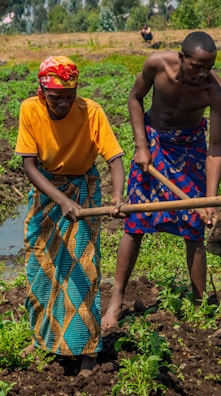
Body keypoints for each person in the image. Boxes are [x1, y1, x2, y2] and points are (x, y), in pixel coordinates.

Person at [102, 31, 221, 329]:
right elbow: (135, 98)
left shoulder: (216, 92)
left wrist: (209, 201)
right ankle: (116, 301)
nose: (203, 74)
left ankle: (199, 305)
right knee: (134, 223)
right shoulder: (156, 65)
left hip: (190, 148)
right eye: (197, 66)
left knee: (194, 227)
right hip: (154, 143)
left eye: (209, 67)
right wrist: (141, 146)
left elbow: (214, 148)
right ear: (181, 57)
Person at [15, 56, 125, 376]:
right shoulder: (30, 110)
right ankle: (43, 341)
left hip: (84, 191)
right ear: (41, 92)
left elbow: (114, 158)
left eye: (69, 96)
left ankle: (87, 351)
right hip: (48, 192)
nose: (63, 103)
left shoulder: (91, 112)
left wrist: (117, 196)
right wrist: (61, 200)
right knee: (40, 267)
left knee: (82, 267)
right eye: (56, 97)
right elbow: (29, 166)